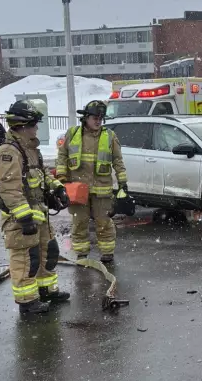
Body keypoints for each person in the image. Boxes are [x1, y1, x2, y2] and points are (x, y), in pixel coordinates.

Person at [0, 101, 71, 314]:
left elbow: (42, 173)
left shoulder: (31, 149)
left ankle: (46, 290)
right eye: (34, 124)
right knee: (26, 258)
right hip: (21, 218)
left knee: (49, 252)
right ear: (22, 126)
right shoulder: (9, 152)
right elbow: (9, 188)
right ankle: (27, 302)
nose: (37, 128)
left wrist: (58, 188)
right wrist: (24, 217)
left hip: (39, 213)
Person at [56, 100, 127, 263]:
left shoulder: (109, 136)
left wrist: (123, 183)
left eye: (100, 118)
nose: (98, 121)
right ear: (86, 118)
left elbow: (118, 161)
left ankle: (107, 253)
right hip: (78, 189)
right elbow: (62, 156)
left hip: (101, 189)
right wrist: (61, 178)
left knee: (104, 222)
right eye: (95, 118)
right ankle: (81, 254)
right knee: (79, 222)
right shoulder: (73, 134)